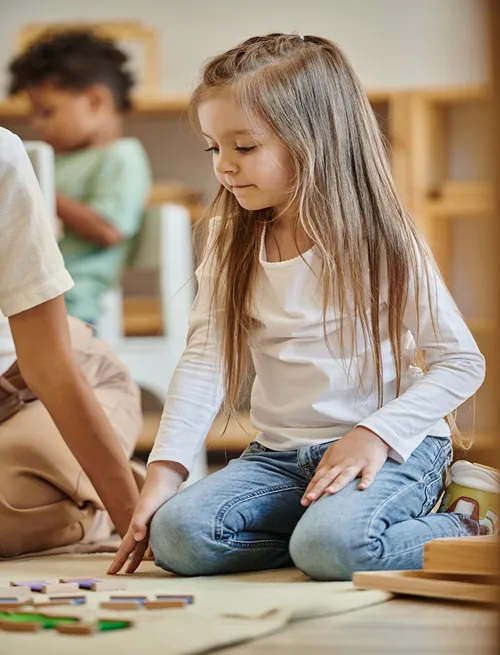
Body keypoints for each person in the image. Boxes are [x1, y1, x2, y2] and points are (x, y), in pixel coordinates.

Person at [109, 34, 487, 580]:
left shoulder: (387, 242)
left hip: (392, 449)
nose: (224, 167)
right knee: (178, 537)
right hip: (280, 458)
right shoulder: (227, 240)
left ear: (316, 140)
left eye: (244, 147)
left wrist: (373, 434)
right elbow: (205, 360)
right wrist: (164, 473)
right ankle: (317, 534)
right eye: (213, 148)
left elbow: (461, 362)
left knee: (337, 550)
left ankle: (469, 523)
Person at [0, 127, 142, 557]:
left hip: (34, 383)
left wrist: (133, 523)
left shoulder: (2, 156)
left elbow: (51, 368)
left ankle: (104, 496)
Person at [8, 29, 151, 326]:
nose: (37, 123)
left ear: (96, 102)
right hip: (28, 294)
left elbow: (109, 229)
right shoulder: (55, 161)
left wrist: (39, 191)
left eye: (47, 111)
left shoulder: (122, 156)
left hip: (72, 302)